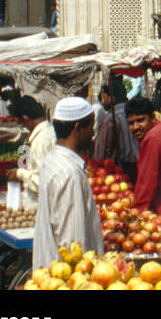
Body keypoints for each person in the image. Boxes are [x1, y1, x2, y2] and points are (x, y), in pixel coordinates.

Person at [32, 97, 104, 270]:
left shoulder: (53, 160)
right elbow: (73, 245)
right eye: (91, 127)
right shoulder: (69, 173)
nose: (93, 133)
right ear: (78, 128)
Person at [125, 95, 161, 216]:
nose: (136, 127)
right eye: (131, 123)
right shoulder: (159, 129)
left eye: (140, 120)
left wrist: (137, 212)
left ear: (152, 117)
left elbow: (147, 181)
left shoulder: (153, 138)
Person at [9, 97, 55, 209]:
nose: (23, 127)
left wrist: (20, 174)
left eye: (21, 123)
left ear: (26, 119)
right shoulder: (50, 133)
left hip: (41, 208)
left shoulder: (41, 141)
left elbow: (42, 182)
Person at [93, 80, 139, 165]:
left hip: (120, 168)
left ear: (111, 97)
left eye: (103, 96)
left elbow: (101, 155)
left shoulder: (111, 119)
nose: (102, 100)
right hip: (137, 164)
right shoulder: (134, 113)